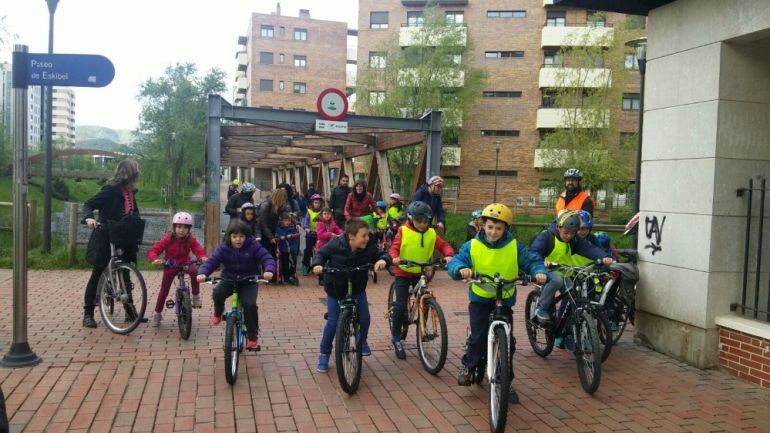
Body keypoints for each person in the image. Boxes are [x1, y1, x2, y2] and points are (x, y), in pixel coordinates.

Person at [447, 203, 548, 402]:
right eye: (490, 227)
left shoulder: (515, 247)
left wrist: (539, 272)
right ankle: (469, 365)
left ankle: (505, 381)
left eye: (499, 228)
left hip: (504, 299)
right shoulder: (472, 245)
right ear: (482, 225)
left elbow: (532, 260)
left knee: (507, 343)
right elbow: (457, 260)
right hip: (480, 299)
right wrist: (460, 269)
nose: (493, 232)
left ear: (506, 229)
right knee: (477, 337)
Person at [311, 218, 391, 372]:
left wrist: (382, 260)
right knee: (333, 322)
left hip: (357, 288)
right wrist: (318, 264)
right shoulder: (336, 244)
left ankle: (362, 341)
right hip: (336, 289)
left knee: (365, 317)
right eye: (364, 236)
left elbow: (382, 254)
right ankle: (324, 353)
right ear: (351, 236)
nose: (367, 239)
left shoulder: (368, 247)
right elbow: (321, 253)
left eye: (368, 235)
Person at [388, 201, 454, 359]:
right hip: (403, 272)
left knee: (425, 299)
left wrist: (449, 254)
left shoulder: (431, 233)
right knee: (399, 306)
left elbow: (443, 245)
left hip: (420, 272)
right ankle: (396, 338)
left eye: (426, 221)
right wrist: (394, 257)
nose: (423, 224)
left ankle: (422, 328)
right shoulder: (403, 231)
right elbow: (394, 248)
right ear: (411, 219)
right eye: (419, 221)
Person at [82, 159, 143, 328]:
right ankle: (88, 313)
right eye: (135, 174)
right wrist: (88, 218)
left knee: (125, 272)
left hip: (123, 237)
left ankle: (130, 312)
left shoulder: (130, 191)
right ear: (129, 174)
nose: (136, 177)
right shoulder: (110, 190)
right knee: (98, 273)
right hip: (104, 236)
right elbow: (88, 204)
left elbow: (133, 213)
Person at [197, 220, 275, 350]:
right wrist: (203, 273)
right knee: (217, 293)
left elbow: (266, 257)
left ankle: (252, 336)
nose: (238, 240)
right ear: (229, 237)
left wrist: (269, 270)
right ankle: (218, 312)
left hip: (249, 280)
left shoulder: (253, 245)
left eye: (241, 236)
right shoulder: (224, 247)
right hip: (229, 279)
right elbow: (212, 261)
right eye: (234, 236)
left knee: (249, 305)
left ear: (247, 236)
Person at [529, 210, 613, 323]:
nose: (569, 236)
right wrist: (542, 263)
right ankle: (541, 308)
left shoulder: (574, 240)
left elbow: (589, 249)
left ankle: (568, 330)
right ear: (559, 227)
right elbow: (535, 251)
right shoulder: (546, 236)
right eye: (566, 232)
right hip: (546, 271)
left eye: (572, 233)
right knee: (557, 281)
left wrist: (604, 257)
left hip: (564, 272)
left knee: (573, 295)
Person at [147, 212, 208, 327]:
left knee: (195, 271)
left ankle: (195, 296)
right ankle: (158, 313)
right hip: (170, 265)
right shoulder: (168, 238)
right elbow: (154, 250)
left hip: (185, 263)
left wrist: (202, 256)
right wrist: (154, 259)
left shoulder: (190, 239)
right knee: (164, 291)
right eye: (179, 227)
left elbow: (198, 249)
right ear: (174, 227)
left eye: (185, 227)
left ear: (189, 229)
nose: (182, 230)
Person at [257, 188, 290, 255]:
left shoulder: (279, 206)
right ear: (278, 198)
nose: (284, 201)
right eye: (283, 199)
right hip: (264, 234)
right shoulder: (265, 205)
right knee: (265, 253)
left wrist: (297, 223)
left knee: (274, 253)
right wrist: (271, 237)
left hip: (272, 232)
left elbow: (287, 215)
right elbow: (263, 224)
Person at [275, 213, 300, 285]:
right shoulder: (279, 228)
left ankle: (291, 276)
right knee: (285, 263)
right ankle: (285, 277)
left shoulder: (293, 228)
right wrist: (281, 237)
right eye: (285, 220)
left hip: (292, 248)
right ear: (282, 221)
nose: (287, 222)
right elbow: (277, 236)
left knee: (293, 263)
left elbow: (297, 234)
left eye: (289, 220)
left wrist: (292, 235)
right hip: (284, 249)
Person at [302, 194, 324, 275]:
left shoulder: (322, 212)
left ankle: (318, 265)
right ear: (312, 203)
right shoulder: (309, 212)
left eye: (318, 203)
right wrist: (306, 227)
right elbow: (306, 221)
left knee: (320, 251)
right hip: (310, 234)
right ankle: (305, 265)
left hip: (320, 235)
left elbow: (326, 221)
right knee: (308, 250)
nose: (317, 204)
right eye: (315, 202)